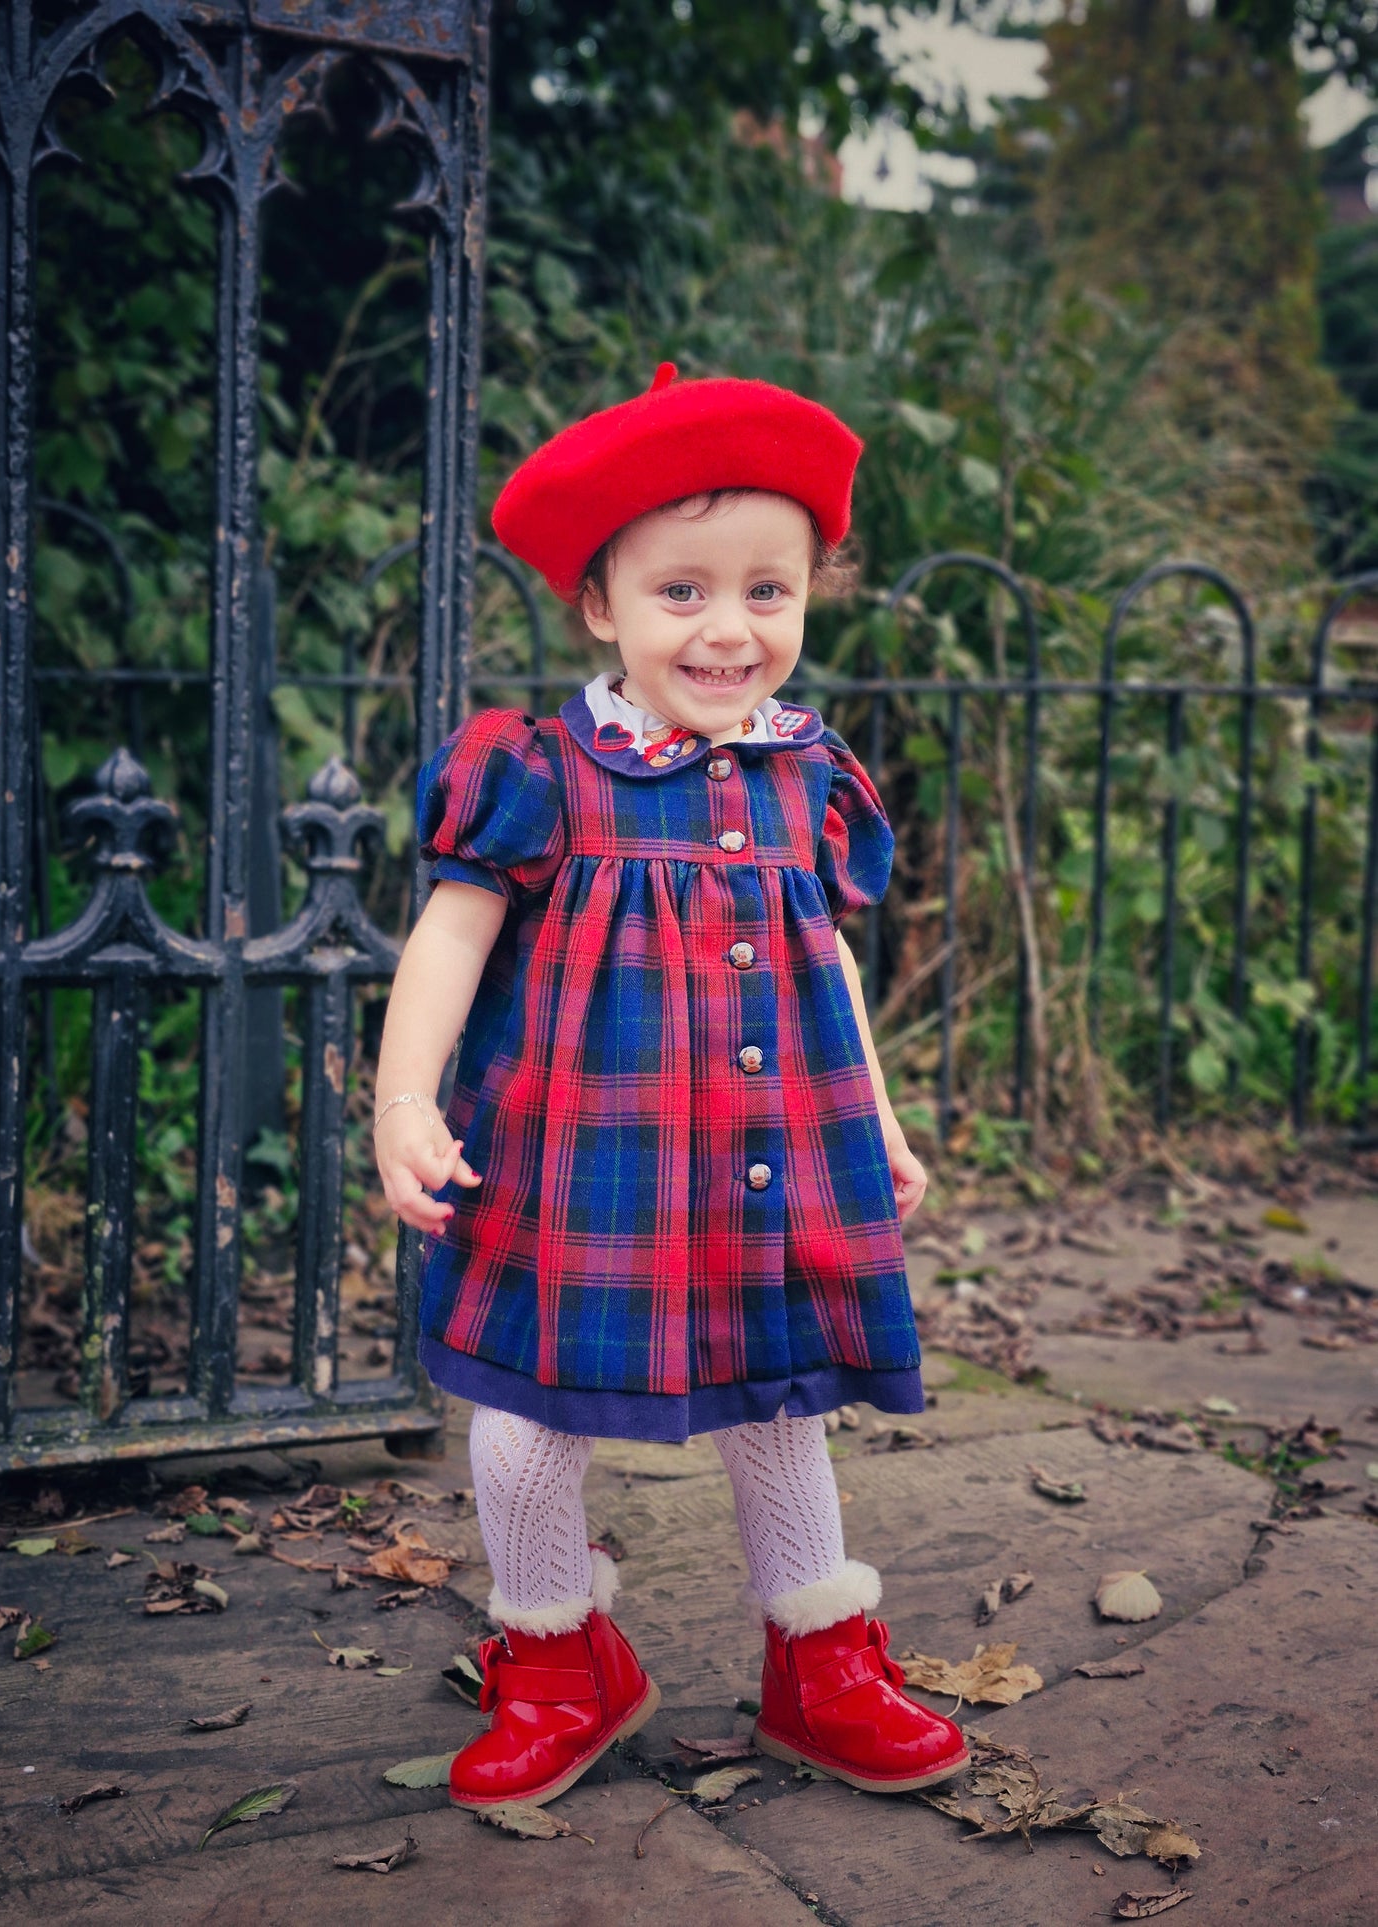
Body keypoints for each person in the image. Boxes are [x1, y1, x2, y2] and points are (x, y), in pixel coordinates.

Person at [373, 364, 967, 1810]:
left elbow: (821, 956)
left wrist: (878, 1116)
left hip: (777, 1152)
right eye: (682, 592)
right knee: (524, 1425)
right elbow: (449, 934)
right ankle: (560, 1658)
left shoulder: (803, 774)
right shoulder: (541, 767)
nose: (727, 628)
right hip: (583, 1165)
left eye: (767, 592)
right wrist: (401, 1101)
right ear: (601, 606)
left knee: (780, 1405)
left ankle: (817, 1662)